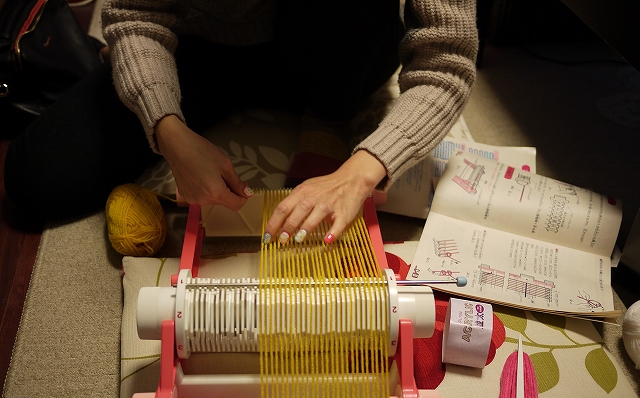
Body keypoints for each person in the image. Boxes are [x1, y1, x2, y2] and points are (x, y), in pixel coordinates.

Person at [4, 0, 478, 246]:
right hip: (210, 41)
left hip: (343, 55)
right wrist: (169, 131)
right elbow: (136, 13)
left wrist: (360, 172)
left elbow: (447, 60)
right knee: (36, 179)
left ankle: (326, 122)